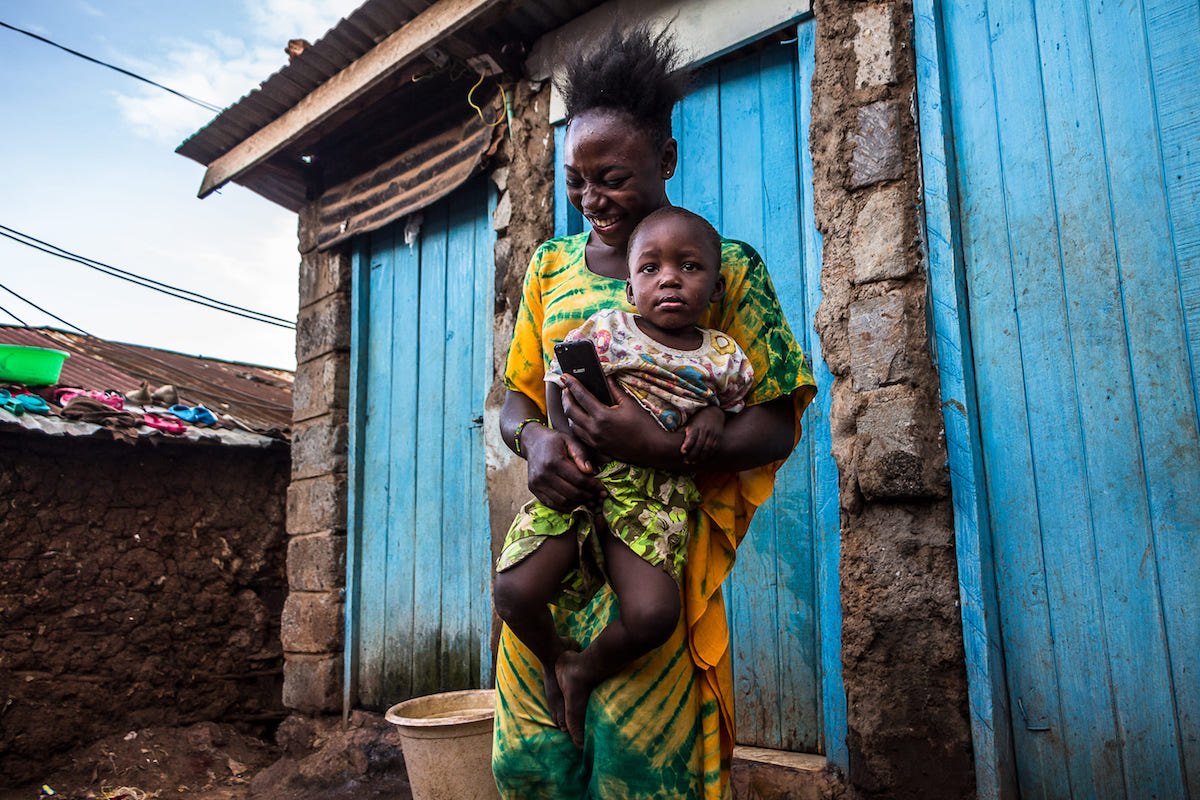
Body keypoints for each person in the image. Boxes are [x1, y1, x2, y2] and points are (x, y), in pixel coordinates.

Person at [491, 23, 817, 800]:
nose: (591, 201)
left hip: (655, 552)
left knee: (645, 769)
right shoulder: (549, 268)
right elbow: (516, 401)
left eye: (611, 177)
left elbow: (776, 422)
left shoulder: (723, 269)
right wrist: (534, 443)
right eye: (575, 181)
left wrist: (658, 447)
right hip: (555, 549)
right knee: (532, 765)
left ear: (665, 161)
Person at [493, 206, 756, 749]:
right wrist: (558, 441)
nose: (669, 280)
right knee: (514, 591)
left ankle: (584, 669)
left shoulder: (723, 356)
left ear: (716, 286)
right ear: (631, 287)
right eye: (651, 269)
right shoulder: (610, 332)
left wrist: (709, 418)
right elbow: (556, 377)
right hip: (584, 478)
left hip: (654, 497)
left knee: (655, 613)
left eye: (689, 268)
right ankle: (553, 656)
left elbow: (736, 409)